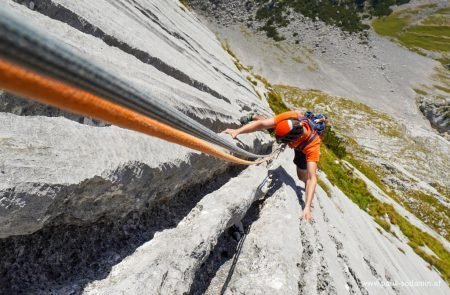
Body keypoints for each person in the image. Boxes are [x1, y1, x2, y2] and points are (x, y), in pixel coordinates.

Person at [224, 111, 326, 222]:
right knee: (270, 124)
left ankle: (307, 192)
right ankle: (254, 116)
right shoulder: (291, 117)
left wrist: (307, 207)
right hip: (288, 133)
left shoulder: (312, 146)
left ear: (294, 140)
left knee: (302, 177)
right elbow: (262, 124)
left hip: (302, 148)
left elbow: (312, 178)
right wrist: (237, 131)